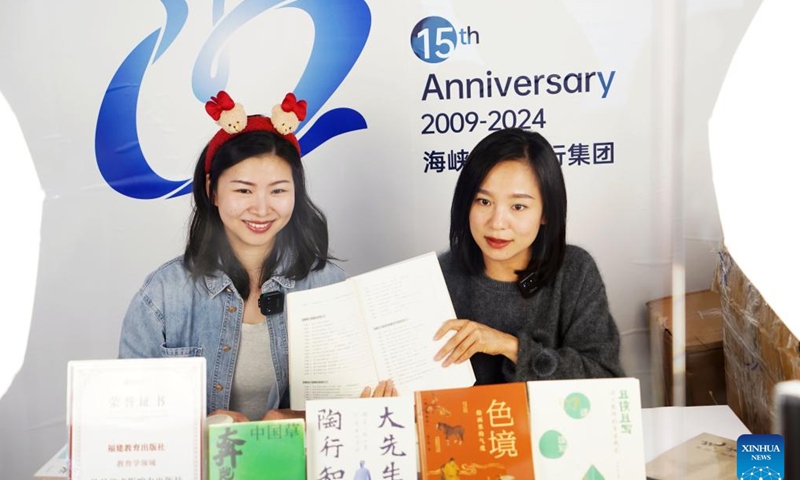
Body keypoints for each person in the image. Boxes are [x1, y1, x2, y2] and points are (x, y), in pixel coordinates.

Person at [119, 91, 395, 422]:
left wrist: (296, 420)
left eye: (278, 190)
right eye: (243, 190)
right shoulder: (163, 296)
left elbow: (356, 412)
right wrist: (211, 430)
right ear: (212, 190)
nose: (262, 209)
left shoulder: (331, 288)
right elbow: (129, 418)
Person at [433, 128, 624, 384]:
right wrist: (390, 398)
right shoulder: (438, 277)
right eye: (484, 201)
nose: (497, 223)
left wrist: (511, 347)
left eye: (518, 206)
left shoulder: (575, 271)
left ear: (546, 213)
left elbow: (605, 377)